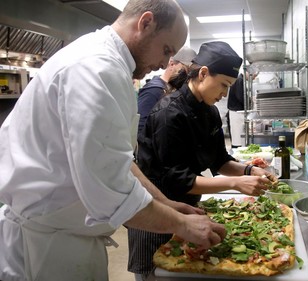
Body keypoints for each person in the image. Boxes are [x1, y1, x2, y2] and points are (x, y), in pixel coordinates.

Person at [0, 1, 226, 280]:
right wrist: (183, 225)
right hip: (48, 247)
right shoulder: (97, 69)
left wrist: (165, 203)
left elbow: (119, 163)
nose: (164, 64)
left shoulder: (110, 64)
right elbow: (111, 192)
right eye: (166, 50)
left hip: (67, 237)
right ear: (145, 23)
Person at [128, 41, 278, 279]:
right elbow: (177, 178)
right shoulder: (168, 113)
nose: (225, 94)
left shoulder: (209, 112)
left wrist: (249, 171)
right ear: (203, 73)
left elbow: (220, 160)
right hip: (158, 206)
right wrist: (234, 184)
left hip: (189, 207)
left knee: (186, 267)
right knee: (155, 271)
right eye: (223, 85)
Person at [137, 45, 196, 135]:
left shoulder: (179, 90)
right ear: (172, 64)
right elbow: (141, 129)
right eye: (187, 69)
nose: (189, 74)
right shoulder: (153, 91)